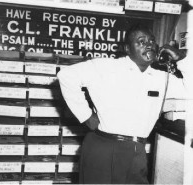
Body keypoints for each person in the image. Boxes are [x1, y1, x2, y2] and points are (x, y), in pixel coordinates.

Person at [57, 24, 186, 184]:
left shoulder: (161, 78)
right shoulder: (106, 66)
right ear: (127, 48)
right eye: (141, 41)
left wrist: (181, 60)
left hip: (137, 150)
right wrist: (85, 115)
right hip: (105, 147)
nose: (149, 45)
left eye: (152, 41)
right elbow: (66, 75)